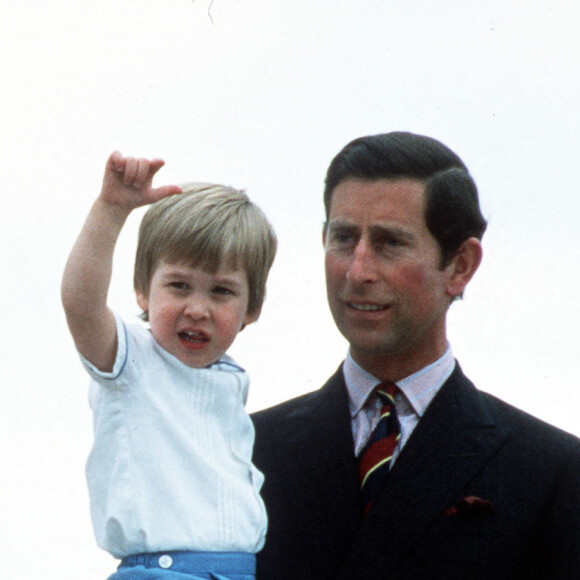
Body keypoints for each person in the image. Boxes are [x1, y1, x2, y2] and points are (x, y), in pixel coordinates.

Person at [251, 131, 580, 579]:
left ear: (461, 265)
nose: (357, 270)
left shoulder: (551, 472)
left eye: (389, 243)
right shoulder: (244, 450)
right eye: (344, 238)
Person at [61, 151, 276, 580]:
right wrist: (110, 211)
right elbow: (80, 303)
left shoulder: (231, 380)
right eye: (179, 286)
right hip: (162, 572)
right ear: (143, 290)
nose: (197, 309)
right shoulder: (131, 360)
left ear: (251, 308)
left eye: (221, 292)